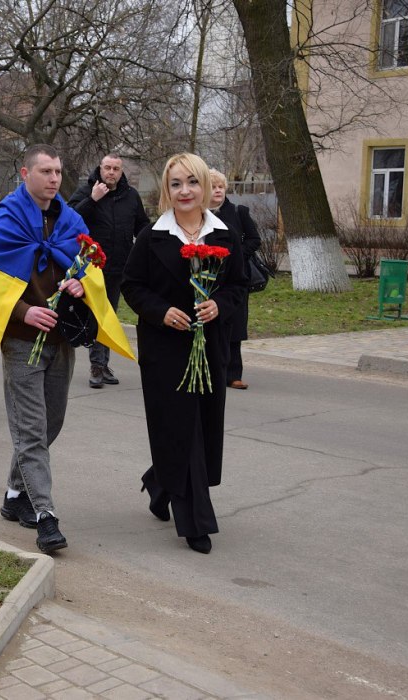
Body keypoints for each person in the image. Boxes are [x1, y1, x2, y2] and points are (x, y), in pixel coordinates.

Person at [0, 144, 134, 554]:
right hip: (22, 341)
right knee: (30, 430)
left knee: (48, 425)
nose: (54, 178)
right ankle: (45, 515)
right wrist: (25, 312)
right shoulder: (5, 220)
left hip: (62, 339)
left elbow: (87, 268)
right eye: (46, 171)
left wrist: (80, 283)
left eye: (58, 172)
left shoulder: (71, 219)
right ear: (26, 173)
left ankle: (13, 494)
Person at [121, 153, 246, 554]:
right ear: (166, 191)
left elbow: (239, 285)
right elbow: (132, 286)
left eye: (192, 182)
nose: (185, 191)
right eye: (176, 184)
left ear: (206, 187)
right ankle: (196, 522)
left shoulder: (225, 234)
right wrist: (161, 312)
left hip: (209, 348)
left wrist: (219, 306)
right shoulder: (152, 236)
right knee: (182, 429)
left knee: (203, 430)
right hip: (164, 351)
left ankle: (161, 484)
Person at [68, 153, 151, 388]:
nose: (111, 172)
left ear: (121, 171)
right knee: (95, 315)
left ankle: (102, 364)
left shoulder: (131, 196)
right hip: (91, 267)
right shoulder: (86, 192)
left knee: (109, 315)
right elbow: (69, 220)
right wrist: (92, 200)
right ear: (100, 168)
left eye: (116, 168)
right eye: (107, 168)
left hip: (120, 266)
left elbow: (142, 226)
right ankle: (96, 364)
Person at [209, 169, 261, 390]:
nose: (218, 190)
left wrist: (237, 257)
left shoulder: (238, 211)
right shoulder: (199, 214)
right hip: (208, 278)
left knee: (235, 326)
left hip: (235, 278)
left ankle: (234, 374)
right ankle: (213, 370)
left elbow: (254, 239)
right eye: (213, 186)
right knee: (212, 324)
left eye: (221, 186)